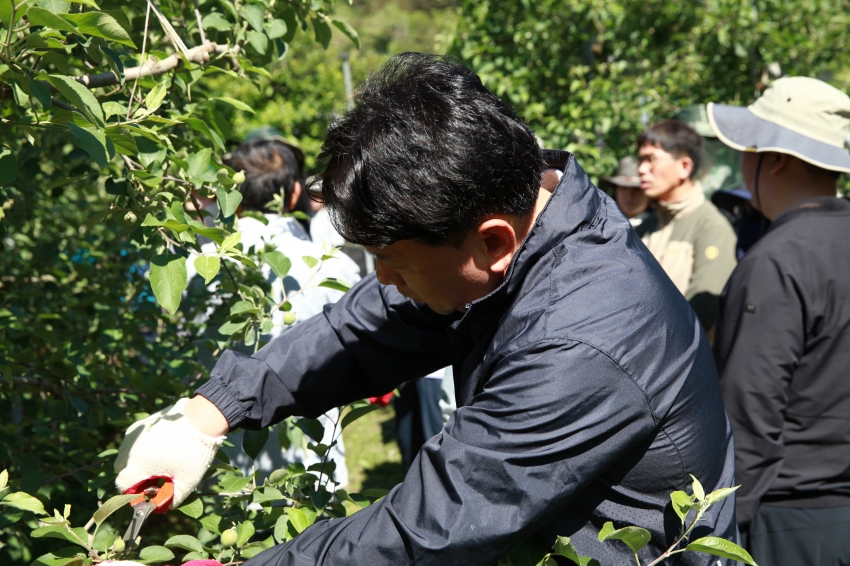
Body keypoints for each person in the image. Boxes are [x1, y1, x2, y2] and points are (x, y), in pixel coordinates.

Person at [114, 53, 737, 565]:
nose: (384, 281)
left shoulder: (581, 341)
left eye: (396, 263)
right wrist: (209, 411)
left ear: (493, 241)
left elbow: (429, 530)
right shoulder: (534, 213)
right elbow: (369, 325)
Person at [709, 76, 850, 566]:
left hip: (790, 521)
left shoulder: (776, 260)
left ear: (776, 159)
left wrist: (723, 532)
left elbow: (749, 410)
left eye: (747, 148)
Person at [189, 137, 362, 488]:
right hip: (312, 465)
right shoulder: (335, 270)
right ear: (296, 192)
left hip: (227, 466)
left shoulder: (198, 270)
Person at [635, 120, 738, 340]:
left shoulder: (712, 227)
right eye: (640, 160)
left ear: (684, 167)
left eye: (651, 159)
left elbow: (702, 313)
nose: (641, 169)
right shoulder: (644, 228)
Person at [599, 156, 653, 227]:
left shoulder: (658, 226)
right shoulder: (602, 225)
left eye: (636, 189)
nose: (629, 194)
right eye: (624, 188)